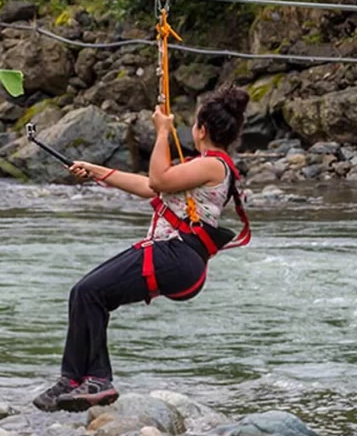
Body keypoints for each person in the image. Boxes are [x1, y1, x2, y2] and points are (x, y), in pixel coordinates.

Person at [33, 83, 250, 413]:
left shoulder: (212, 165)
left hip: (176, 254)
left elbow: (159, 179)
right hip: (175, 256)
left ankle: (95, 380)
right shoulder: (204, 165)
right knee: (87, 293)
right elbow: (150, 187)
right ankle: (76, 380)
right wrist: (96, 171)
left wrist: (162, 132)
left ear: (202, 130)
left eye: (192, 124)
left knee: (88, 292)